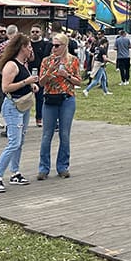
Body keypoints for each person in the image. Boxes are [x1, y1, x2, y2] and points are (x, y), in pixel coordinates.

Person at [0, 34, 39, 192]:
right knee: (13, 143)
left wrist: (31, 86)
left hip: (24, 105)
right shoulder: (11, 65)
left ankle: (15, 172)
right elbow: (6, 88)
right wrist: (26, 82)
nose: (30, 49)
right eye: (28, 46)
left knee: (20, 141)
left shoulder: (23, 64)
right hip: (13, 106)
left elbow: (22, 81)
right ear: (22, 47)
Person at [36, 33, 80, 180]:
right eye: (52, 45)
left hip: (67, 99)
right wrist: (49, 72)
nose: (53, 48)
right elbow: (41, 83)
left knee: (64, 134)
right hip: (50, 99)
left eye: (56, 45)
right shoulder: (46, 61)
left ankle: (63, 167)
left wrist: (66, 75)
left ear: (64, 46)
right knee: (46, 135)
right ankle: (43, 168)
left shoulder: (73, 60)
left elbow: (78, 81)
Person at [28, 25, 51, 127]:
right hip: (28, 73)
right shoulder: (27, 44)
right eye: (33, 32)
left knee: (40, 97)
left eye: (37, 32)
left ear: (40, 32)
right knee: (26, 96)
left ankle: (39, 118)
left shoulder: (46, 44)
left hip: (40, 73)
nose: (34, 34)